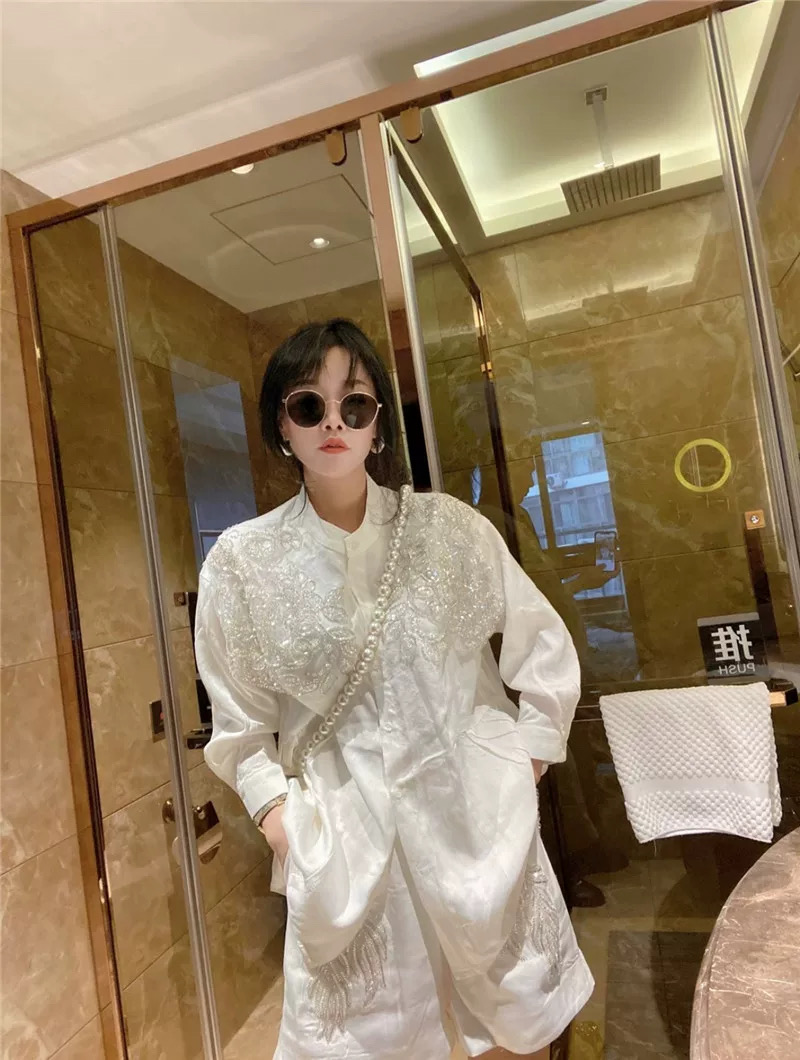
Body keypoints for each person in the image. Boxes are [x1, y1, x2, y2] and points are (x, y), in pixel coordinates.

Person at [195, 319, 593, 1060]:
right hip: (346, 847)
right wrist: (280, 819)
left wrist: (521, 765)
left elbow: (542, 649)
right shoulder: (244, 563)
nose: (334, 423)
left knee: (508, 1032)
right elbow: (239, 723)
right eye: (309, 405)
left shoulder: (450, 530)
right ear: (282, 426)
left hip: (472, 828)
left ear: (379, 423)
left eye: (355, 404)